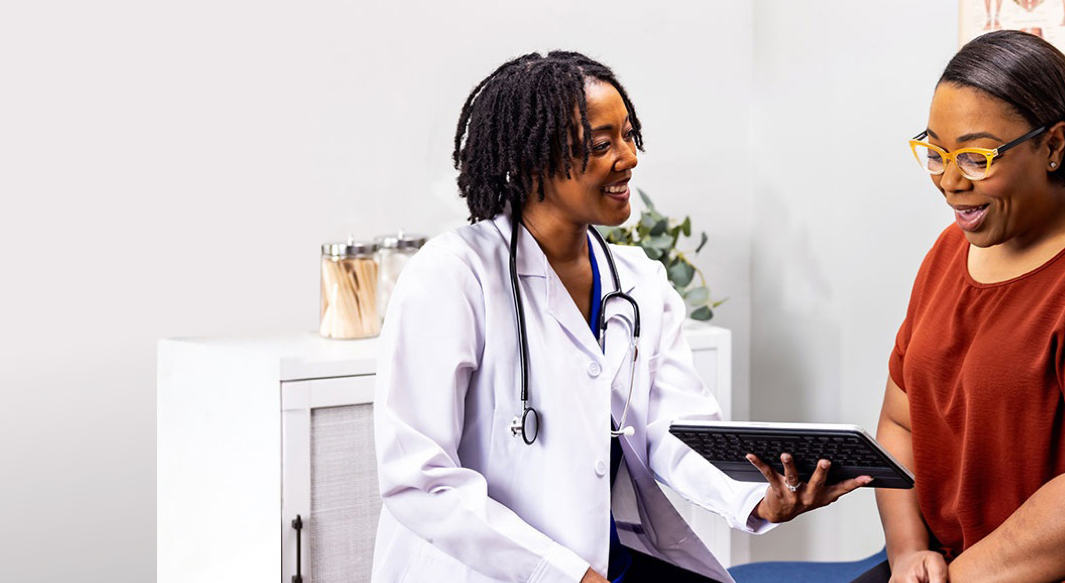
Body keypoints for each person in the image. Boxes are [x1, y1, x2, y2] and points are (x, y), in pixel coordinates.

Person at [370, 51, 868, 583]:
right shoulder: (453, 276)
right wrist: (562, 573)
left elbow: (675, 431)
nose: (628, 157)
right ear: (532, 158)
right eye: (601, 145)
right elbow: (420, 479)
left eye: (629, 136)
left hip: (608, 560)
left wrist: (759, 500)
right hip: (492, 569)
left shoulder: (638, 281)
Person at [865, 30, 1065, 583]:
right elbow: (899, 423)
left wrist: (965, 575)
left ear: (1053, 146)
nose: (950, 182)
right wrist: (907, 552)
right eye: (935, 153)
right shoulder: (948, 252)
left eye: (975, 158)